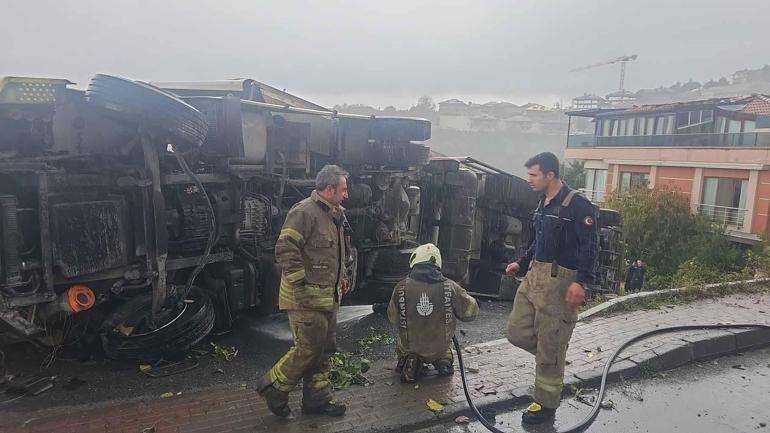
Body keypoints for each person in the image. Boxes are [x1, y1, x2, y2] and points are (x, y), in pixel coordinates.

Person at [505, 152, 598, 425]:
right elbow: (538, 240)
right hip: (535, 275)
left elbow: (590, 247)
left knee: (550, 345)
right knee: (516, 331)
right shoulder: (542, 203)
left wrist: (581, 281)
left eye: (534, 175)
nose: (529, 180)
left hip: (561, 282)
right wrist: (521, 264)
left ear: (550, 175)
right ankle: (553, 355)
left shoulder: (577, 205)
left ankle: (546, 406)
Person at [257, 165, 353, 418]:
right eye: (343, 189)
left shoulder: (336, 215)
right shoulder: (304, 212)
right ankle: (273, 388)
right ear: (329, 189)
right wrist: (302, 285)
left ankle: (317, 401)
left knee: (324, 349)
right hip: (305, 300)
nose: (347, 194)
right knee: (307, 349)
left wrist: (343, 277)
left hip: (328, 299)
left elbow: (336, 254)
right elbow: (285, 249)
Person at [387, 243, 479, 383]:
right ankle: (444, 364)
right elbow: (470, 313)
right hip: (439, 347)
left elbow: (392, 317)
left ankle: (411, 360)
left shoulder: (401, 287)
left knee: (405, 347)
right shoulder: (451, 286)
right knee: (444, 353)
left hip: (411, 345)